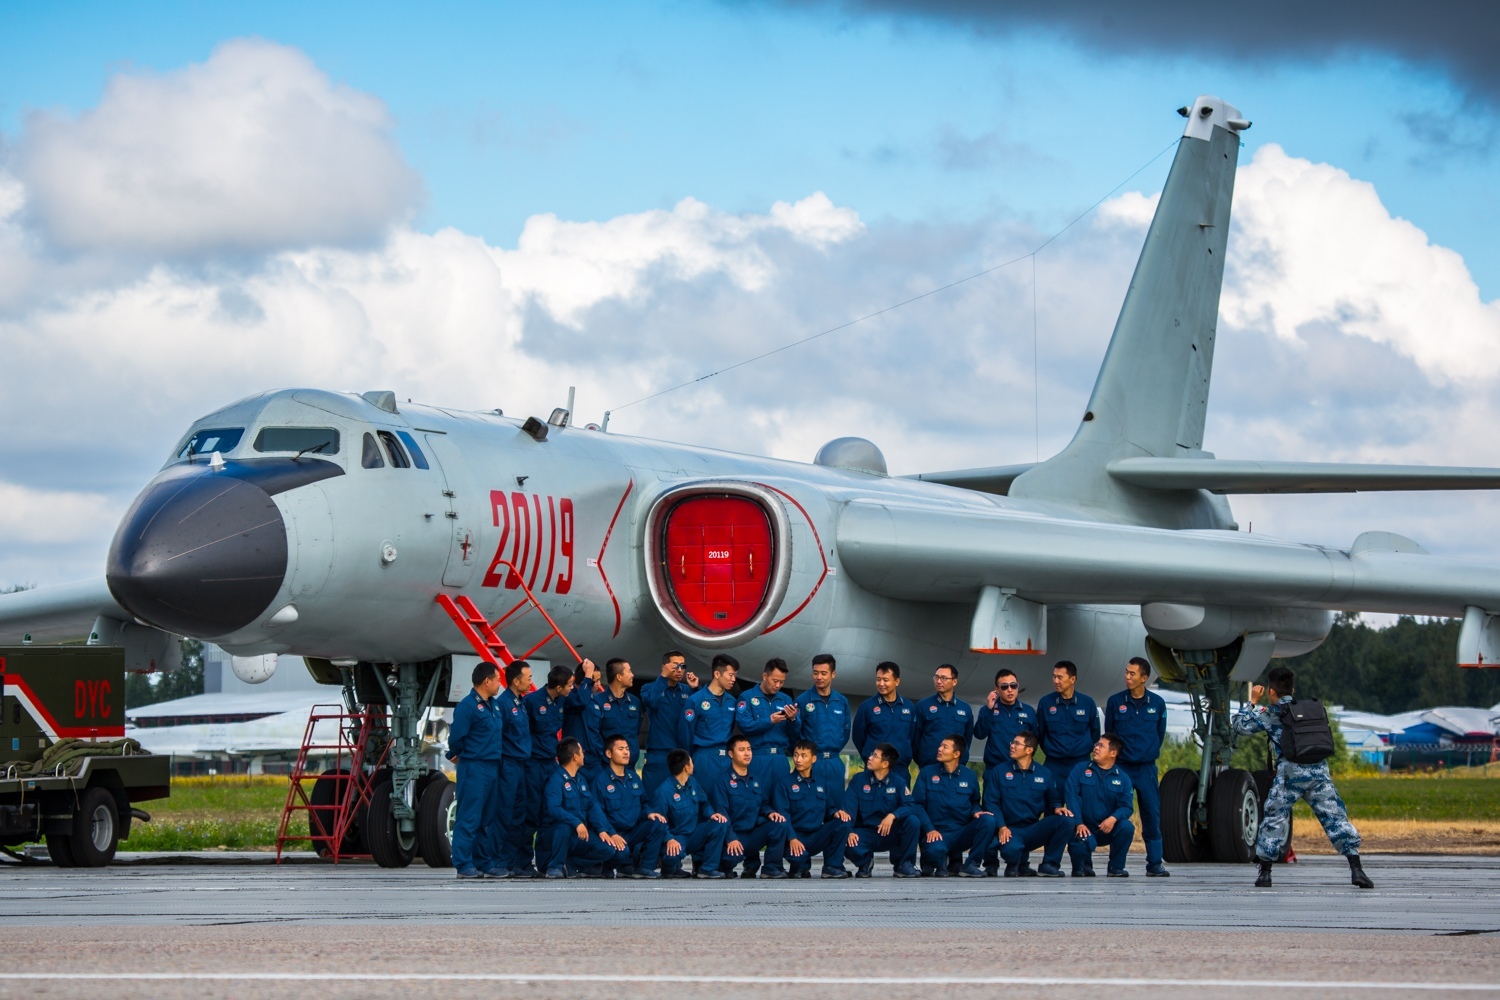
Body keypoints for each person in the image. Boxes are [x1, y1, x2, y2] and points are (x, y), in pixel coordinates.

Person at [1233, 665, 1374, 889]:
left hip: (1290, 775)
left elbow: (1240, 726)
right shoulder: (1310, 710)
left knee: (1274, 818)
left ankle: (1265, 874)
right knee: (1336, 819)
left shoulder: (1272, 713)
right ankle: (1357, 869)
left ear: (1271, 691)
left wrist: (1251, 701)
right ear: (1292, 688)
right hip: (1318, 772)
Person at [1105, 656, 1170, 877]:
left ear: (1144, 678)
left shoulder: (1158, 703)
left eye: (1132, 674)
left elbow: (1159, 734)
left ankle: (1154, 863)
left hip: (1146, 768)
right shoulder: (1115, 702)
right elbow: (1110, 733)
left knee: (1151, 813)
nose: (1127, 677)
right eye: (1126, 672)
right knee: (1119, 815)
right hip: (1121, 768)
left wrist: (1147, 752)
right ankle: (1116, 865)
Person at [447, 660, 506, 879]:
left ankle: (483, 862)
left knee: (486, 818)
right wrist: (460, 754)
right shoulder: (467, 706)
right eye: (497, 679)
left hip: (492, 766)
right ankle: (463, 863)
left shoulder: (494, 705)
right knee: (469, 816)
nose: (500, 683)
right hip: (474, 766)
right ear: (487, 681)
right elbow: (456, 738)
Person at [982, 730, 1068, 878]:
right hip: (1009, 829)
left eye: (1016, 743)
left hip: (1032, 829)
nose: (1012, 746)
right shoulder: (999, 771)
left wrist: (1058, 808)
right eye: (1012, 743)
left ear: (1029, 750)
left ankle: (1049, 865)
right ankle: (1015, 865)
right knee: (1011, 850)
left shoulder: (1044, 773)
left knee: (1066, 820)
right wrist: (1002, 826)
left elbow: (1053, 799)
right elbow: (991, 802)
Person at [541, 737, 627, 879]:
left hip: (579, 835)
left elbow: (592, 806)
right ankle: (554, 866)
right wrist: (576, 822)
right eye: (582, 751)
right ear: (575, 756)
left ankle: (571, 865)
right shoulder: (556, 780)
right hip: (556, 834)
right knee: (564, 827)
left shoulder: (581, 780)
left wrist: (603, 830)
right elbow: (553, 808)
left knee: (608, 849)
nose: (584, 754)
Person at [911, 735, 995, 878]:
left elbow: (975, 801)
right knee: (935, 852)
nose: (939, 749)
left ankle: (971, 865)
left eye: (945, 747)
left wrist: (976, 812)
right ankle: (935, 862)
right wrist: (929, 829)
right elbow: (917, 805)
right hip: (936, 833)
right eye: (940, 745)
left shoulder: (969, 775)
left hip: (960, 833)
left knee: (988, 820)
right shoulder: (927, 773)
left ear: (956, 754)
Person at [708, 736, 790, 878]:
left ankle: (771, 868)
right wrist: (731, 838)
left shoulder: (755, 780)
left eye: (749, 749)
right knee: (727, 864)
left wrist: (770, 813)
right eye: (741, 750)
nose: (747, 753)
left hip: (752, 835)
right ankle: (724, 865)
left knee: (779, 824)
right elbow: (722, 815)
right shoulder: (722, 782)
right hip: (733, 836)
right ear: (731, 754)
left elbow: (763, 803)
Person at [522, 664, 577, 874]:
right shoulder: (532, 702)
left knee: (548, 814)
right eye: (570, 685)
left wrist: (586, 675)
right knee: (531, 814)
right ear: (560, 686)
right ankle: (524, 862)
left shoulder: (560, 700)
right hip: (533, 764)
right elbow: (522, 732)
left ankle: (545, 863)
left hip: (550, 764)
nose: (572, 689)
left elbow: (579, 700)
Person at [772, 739, 853, 878]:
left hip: (815, 836)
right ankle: (799, 865)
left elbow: (829, 809)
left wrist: (836, 813)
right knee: (798, 862)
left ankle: (832, 866)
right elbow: (783, 814)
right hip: (794, 837)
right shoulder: (785, 783)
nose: (798, 759)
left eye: (804, 756)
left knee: (843, 822)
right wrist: (792, 838)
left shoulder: (821, 782)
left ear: (813, 758)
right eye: (796, 755)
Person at [843, 742, 921, 878]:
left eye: (875, 756)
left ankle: (904, 864)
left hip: (890, 832)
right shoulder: (859, 780)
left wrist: (893, 815)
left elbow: (910, 805)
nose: (870, 757)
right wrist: (849, 831)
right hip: (865, 833)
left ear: (885, 764)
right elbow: (848, 809)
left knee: (912, 821)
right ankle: (865, 862)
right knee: (842, 834)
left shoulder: (898, 782)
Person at [595, 734, 667, 878]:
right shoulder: (600, 781)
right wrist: (612, 834)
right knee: (622, 854)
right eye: (620, 749)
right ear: (609, 753)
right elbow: (597, 814)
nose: (626, 752)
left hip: (633, 830)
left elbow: (643, 802)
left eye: (627, 749)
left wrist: (649, 813)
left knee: (658, 822)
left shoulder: (633, 778)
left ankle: (645, 867)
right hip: (614, 833)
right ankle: (610, 865)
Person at [651, 748, 731, 879]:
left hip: (694, 833)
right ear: (686, 767)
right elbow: (658, 822)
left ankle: (708, 869)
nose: (693, 765)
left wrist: (711, 814)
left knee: (720, 824)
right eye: (691, 762)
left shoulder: (693, 783)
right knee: (670, 860)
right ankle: (670, 867)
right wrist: (669, 839)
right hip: (677, 836)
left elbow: (704, 803)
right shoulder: (664, 791)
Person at [1065, 734, 1135, 878]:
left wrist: (1113, 818)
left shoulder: (1123, 778)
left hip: (1108, 827)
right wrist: (1078, 822)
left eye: (1101, 746)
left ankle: (1116, 867)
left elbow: (1127, 806)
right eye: (1096, 745)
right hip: (1084, 827)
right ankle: (1083, 866)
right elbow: (1072, 796)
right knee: (1079, 848)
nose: (1096, 748)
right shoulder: (1080, 769)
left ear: (1113, 753)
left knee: (1127, 827)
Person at [640, 650, 698, 795]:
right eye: (675, 666)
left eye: (682, 666)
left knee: (681, 799)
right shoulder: (649, 688)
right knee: (653, 798)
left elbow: (699, 714)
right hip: (659, 754)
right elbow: (651, 702)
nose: (679, 670)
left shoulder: (687, 690)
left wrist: (696, 688)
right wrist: (663, 678)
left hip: (681, 754)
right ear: (664, 666)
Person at [496, 659, 534, 877]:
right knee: (505, 815)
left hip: (521, 766)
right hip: (508, 766)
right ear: (516, 680)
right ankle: (500, 861)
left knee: (519, 815)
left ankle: (512, 863)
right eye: (528, 678)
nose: (531, 682)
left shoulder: (520, 703)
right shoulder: (503, 704)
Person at [793, 653, 851, 795]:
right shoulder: (803, 700)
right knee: (810, 807)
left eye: (824, 673)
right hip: (812, 763)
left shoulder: (841, 701)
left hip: (834, 762)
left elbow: (845, 732)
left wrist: (833, 749)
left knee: (836, 808)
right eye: (815, 673)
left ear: (833, 674)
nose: (819, 677)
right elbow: (795, 733)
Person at [735, 658, 797, 790]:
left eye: (781, 682)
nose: (778, 685)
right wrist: (769, 721)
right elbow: (745, 725)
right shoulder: (747, 697)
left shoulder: (785, 699)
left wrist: (793, 719)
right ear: (765, 676)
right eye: (775, 681)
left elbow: (794, 733)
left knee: (780, 800)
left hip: (780, 757)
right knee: (755, 797)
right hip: (758, 756)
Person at [1036, 661, 1100, 787]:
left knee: (1080, 803)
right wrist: (1053, 750)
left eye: (1060, 677)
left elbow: (1095, 732)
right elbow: (1040, 733)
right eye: (1054, 676)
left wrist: (1081, 750)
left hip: (1080, 763)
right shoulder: (1045, 703)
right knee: (1052, 804)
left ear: (1072, 679)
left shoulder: (1087, 703)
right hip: (1054, 764)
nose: (1056, 681)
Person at [686, 654, 740, 787]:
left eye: (735, 675)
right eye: (730, 675)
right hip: (704, 758)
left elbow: (731, 728)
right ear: (717, 674)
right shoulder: (695, 700)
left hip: (727, 759)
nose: (734, 679)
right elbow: (686, 735)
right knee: (704, 800)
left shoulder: (732, 701)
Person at [851, 661, 917, 769]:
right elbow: (858, 737)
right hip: (875, 769)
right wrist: (870, 757)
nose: (881, 684)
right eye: (878, 679)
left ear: (897, 681)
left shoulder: (909, 706)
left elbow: (912, 735)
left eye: (885, 680)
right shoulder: (867, 707)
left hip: (900, 769)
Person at [974, 668, 1036, 776]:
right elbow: (979, 734)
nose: (1010, 690)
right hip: (995, 768)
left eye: (1013, 685)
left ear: (1018, 685)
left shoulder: (1028, 711)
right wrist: (989, 709)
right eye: (1004, 687)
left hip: (1020, 769)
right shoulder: (987, 710)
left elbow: (1035, 739)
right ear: (996, 689)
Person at [912, 664, 974, 768]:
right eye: (936, 677)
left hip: (956, 767)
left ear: (954, 681)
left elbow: (967, 739)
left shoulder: (965, 708)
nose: (939, 681)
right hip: (929, 765)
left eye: (944, 678)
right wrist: (923, 759)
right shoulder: (923, 706)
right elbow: (915, 738)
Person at [597, 657, 644, 771]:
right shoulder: (598, 701)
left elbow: (636, 730)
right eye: (629, 671)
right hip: (606, 767)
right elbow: (594, 735)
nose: (632, 675)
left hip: (630, 767)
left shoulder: (635, 702)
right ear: (619, 677)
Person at [562, 658, 604, 774]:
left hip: (595, 760)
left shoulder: (596, 702)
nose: (599, 684)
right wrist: (588, 677)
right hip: (574, 760)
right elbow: (580, 702)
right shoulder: (569, 697)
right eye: (596, 681)